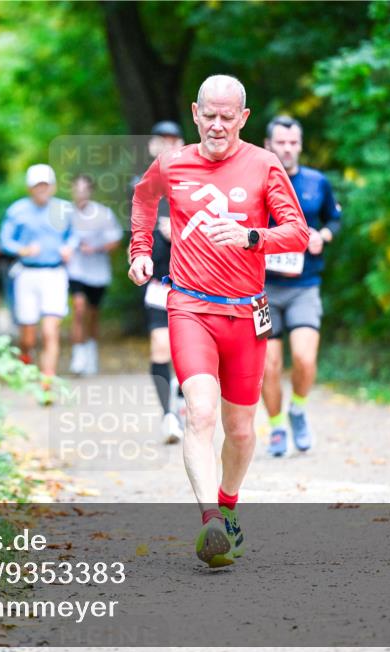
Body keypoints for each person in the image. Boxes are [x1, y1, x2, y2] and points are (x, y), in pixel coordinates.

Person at [128, 75, 309, 567]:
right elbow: (145, 199)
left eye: (228, 117)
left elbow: (297, 233)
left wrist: (252, 237)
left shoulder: (264, 164)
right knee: (200, 414)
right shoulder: (171, 162)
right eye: (209, 114)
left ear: (244, 119)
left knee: (241, 429)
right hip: (189, 306)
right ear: (195, 112)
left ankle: (228, 506)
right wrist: (141, 250)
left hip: (246, 312)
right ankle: (210, 521)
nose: (217, 125)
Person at [260, 116, 342, 457]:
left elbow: (334, 219)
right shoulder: (256, 181)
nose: (288, 149)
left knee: (305, 359)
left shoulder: (316, 182)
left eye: (293, 143)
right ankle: (277, 426)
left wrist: (322, 236)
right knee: (269, 365)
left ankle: (298, 410)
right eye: (281, 143)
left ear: (301, 145)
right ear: (268, 145)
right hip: (261, 287)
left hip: (304, 285)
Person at [0, 164, 77, 386]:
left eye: (45, 185)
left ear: (52, 186)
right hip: (27, 274)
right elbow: (5, 241)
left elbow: (75, 235)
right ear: (30, 188)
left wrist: (69, 247)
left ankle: (47, 380)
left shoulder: (63, 209)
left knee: (50, 329)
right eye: (37, 185)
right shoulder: (17, 211)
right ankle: (25, 358)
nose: (42, 189)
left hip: (55, 273)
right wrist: (21, 250)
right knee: (28, 335)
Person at [136, 121, 187, 443]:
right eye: (161, 140)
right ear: (152, 145)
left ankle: (182, 406)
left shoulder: (198, 180)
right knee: (160, 346)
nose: (167, 146)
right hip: (158, 280)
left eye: (173, 140)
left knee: (188, 351)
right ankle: (168, 415)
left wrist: (180, 232)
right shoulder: (142, 185)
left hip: (194, 281)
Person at [66, 174, 123, 376]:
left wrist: (97, 248)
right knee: (79, 309)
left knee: (92, 315)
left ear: (90, 191)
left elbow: (115, 240)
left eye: (84, 189)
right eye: (77, 189)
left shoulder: (103, 214)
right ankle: (78, 355)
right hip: (75, 270)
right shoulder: (66, 214)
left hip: (98, 273)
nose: (80, 193)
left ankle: (91, 353)